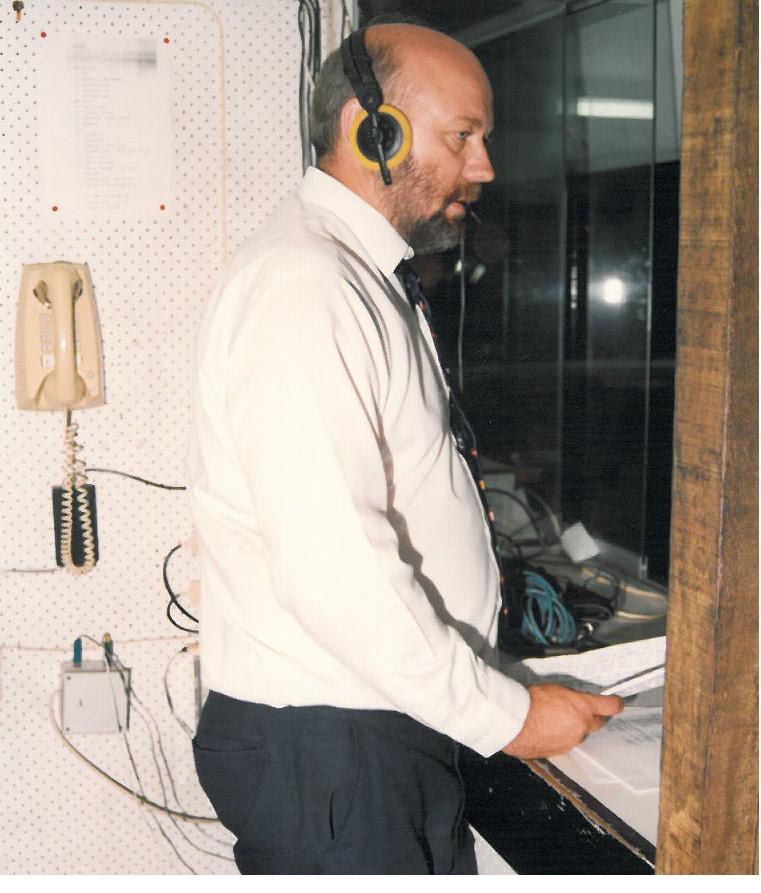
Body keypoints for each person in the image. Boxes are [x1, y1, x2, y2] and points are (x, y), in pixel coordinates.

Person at [187, 22, 622, 875]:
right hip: (334, 746)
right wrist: (508, 716)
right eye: (462, 136)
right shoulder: (308, 286)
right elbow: (334, 569)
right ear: (372, 131)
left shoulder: (354, 275)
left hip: (363, 732)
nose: (484, 166)